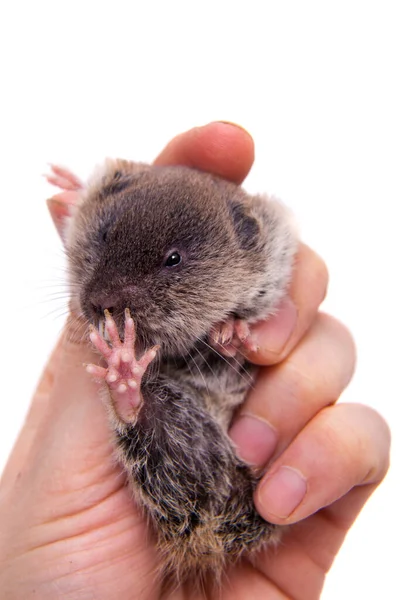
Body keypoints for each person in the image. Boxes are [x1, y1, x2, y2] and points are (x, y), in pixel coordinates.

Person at [0, 122, 390, 599]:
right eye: (104, 241)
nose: (102, 297)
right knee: (155, 395)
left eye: (171, 263)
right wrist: (85, 205)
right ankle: (135, 407)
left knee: (169, 398)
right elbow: (106, 185)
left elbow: (278, 241)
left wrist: (240, 320)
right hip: (177, 434)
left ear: (243, 247)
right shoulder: (118, 193)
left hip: (224, 465)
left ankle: (136, 406)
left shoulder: (255, 238)